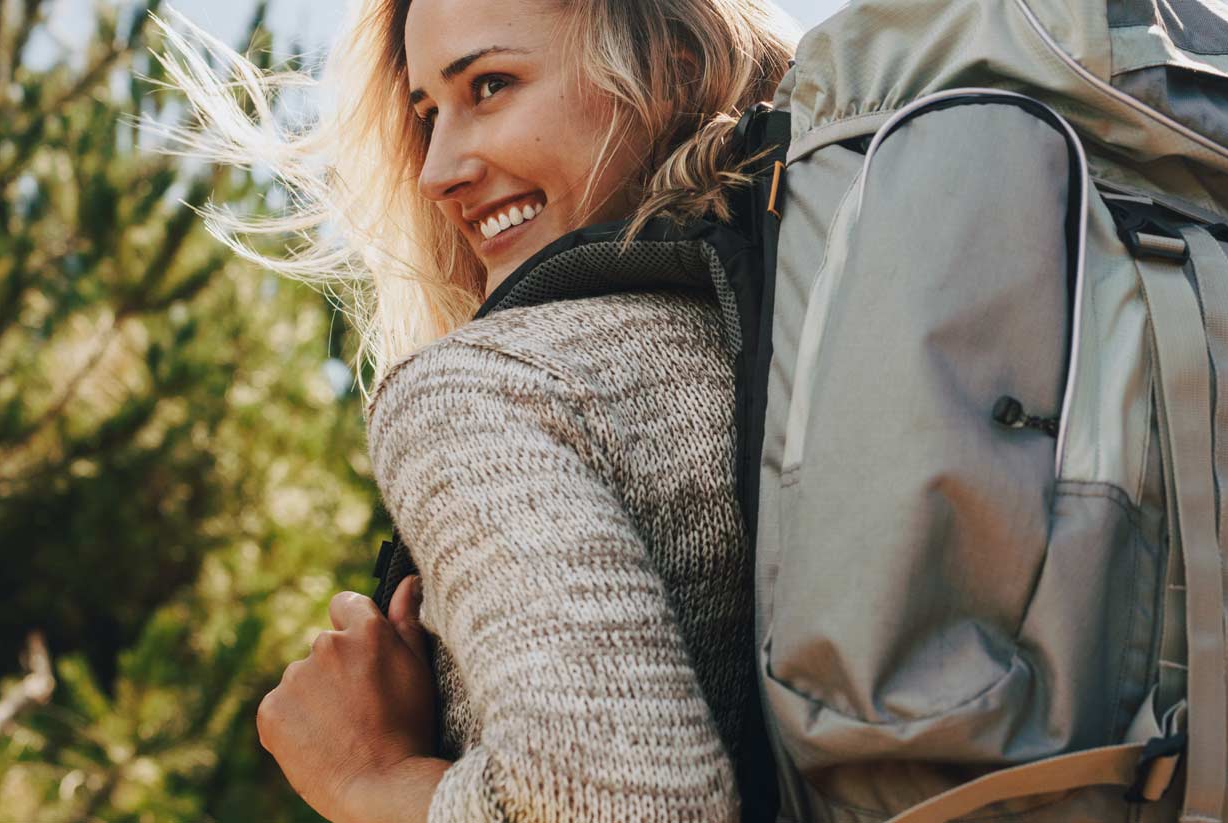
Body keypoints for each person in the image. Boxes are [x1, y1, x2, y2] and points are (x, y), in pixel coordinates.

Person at [163, 0, 797, 819]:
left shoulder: (486, 385)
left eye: (490, 85)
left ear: (671, 72)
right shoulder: (788, 343)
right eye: (427, 113)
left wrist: (368, 776)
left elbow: (628, 804)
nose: (435, 170)